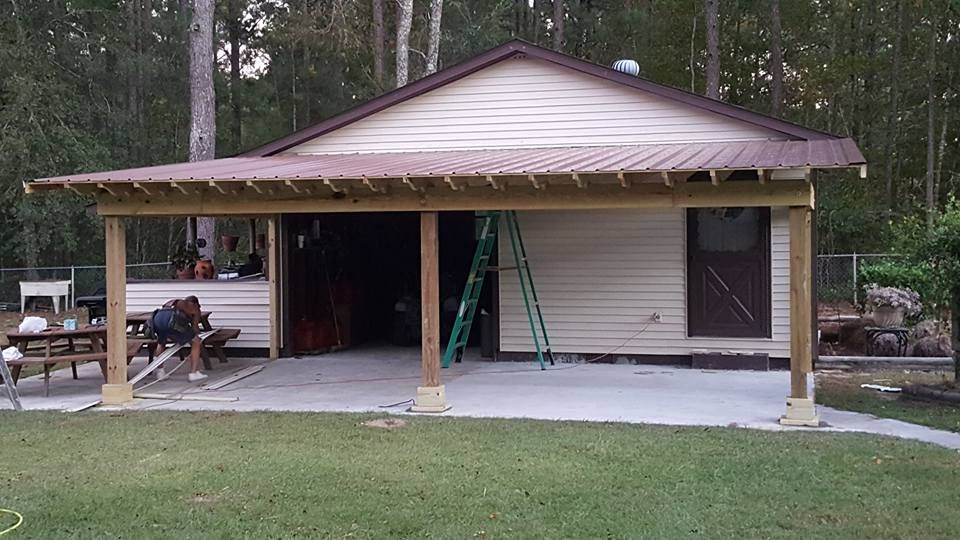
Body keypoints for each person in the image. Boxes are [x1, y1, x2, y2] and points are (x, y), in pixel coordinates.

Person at [150, 295, 207, 382]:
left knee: (161, 342)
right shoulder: (193, 307)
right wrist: (195, 335)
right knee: (196, 341)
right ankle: (193, 373)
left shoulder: (175, 302)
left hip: (158, 318)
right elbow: (195, 327)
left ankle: (160, 373)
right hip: (171, 320)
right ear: (196, 304)